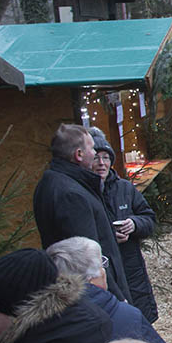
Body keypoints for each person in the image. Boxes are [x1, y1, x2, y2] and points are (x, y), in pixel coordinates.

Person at [33, 123, 129, 302]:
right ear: (79, 154)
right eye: (92, 148)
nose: (95, 154)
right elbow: (87, 258)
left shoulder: (53, 181)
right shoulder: (71, 195)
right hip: (89, 295)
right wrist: (117, 298)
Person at [89, 129, 159, 323]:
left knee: (142, 320)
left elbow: (149, 218)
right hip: (103, 270)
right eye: (95, 158)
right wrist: (109, 236)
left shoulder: (124, 188)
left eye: (105, 157)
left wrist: (134, 224)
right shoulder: (85, 192)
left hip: (131, 265)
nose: (101, 163)